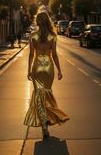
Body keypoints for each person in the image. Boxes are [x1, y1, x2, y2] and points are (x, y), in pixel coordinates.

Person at [24, 11, 69, 140]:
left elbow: (31, 55)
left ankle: (44, 125)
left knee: (39, 95)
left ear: (38, 21)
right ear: (48, 21)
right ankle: (49, 118)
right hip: (49, 67)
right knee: (47, 94)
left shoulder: (33, 35)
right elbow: (54, 55)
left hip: (37, 67)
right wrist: (59, 70)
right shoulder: (53, 36)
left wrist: (28, 70)